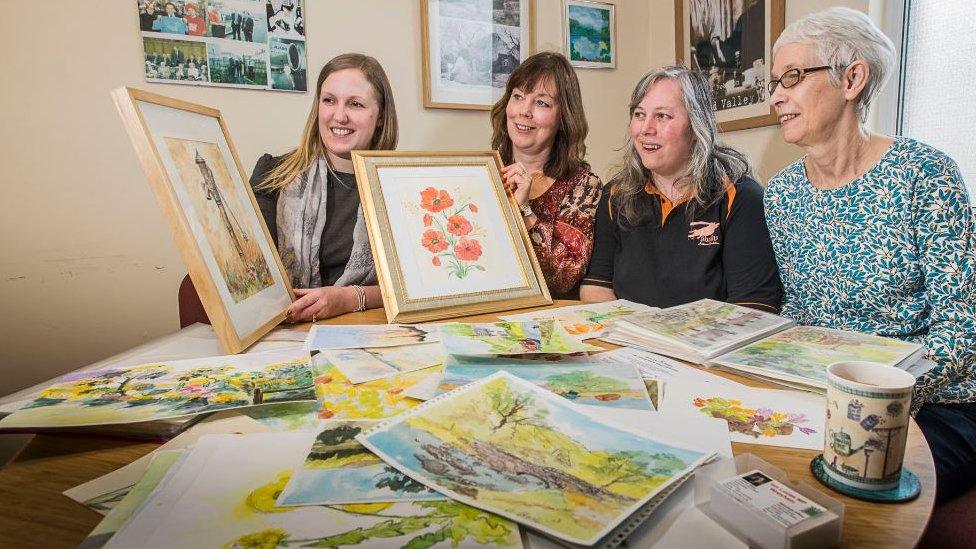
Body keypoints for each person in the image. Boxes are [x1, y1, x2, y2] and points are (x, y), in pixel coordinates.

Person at [763, 7, 976, 503]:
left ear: (852, 77)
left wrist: (871, 394)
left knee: (848, 488)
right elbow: (799, 312)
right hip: (828, 396)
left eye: (792, 77)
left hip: (940, 404)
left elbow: (962, 324)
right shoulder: (782, 194)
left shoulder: (925, 174)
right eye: (774, 82)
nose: (776, 96)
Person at [581, 65, 781, 311]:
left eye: (662, 116)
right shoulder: (615, 195)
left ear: (696, 127)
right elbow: (596, 286)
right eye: (639, 114)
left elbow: (756, 305)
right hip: (630, 343)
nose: (646, 129)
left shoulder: (741, 197)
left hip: (710, 346)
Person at [251, 53, 398, 322]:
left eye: (355, 104)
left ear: (380, 116)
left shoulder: (402, 187)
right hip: (286, 332)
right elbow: (251, 273)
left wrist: (349, 299)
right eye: (329, 100)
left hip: (369, 332)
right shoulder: (272, 176)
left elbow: (416, 287)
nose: (339, 116)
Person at [488, 52, 602, 298]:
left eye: (541, 103)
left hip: (550, 323)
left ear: (564, 117)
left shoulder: (583, 185)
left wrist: (525, 210)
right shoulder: (484, 174)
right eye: (518, 96)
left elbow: (561, 279)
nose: (524, 111)